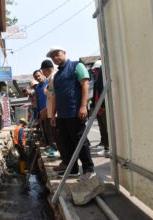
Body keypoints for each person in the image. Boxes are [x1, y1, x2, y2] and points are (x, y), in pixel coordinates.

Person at [47, 46, 95, 180]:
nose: (55, 58)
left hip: (75, 111)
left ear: (64, 53)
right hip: (62, 114)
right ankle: (72, 169)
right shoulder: (56, 76)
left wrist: (83, 106)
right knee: (66, 143)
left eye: (57, 54)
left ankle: (88, 169)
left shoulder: (76, 66)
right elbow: (56, 95)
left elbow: (85, 85)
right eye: (52, 57)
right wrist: (54, 114)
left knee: (80, 140)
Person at [40, 60, 61, 159]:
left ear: (46, 70)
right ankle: (58, 151)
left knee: (57, 135)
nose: (42, 74)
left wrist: (46, 92)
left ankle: (60, 153)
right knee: (54, 134)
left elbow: (53, 95)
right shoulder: (50, 78)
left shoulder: (53, 77)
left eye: (42, 72)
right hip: (51, 111)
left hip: (55, 112)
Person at [91, 60, 109, 157]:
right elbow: (94, 96)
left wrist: (102, 107)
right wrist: (93, 107)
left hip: (104, 108)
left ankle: (109, 148)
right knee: (102, 129)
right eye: (94, 71)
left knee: (107, 129)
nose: (94, 72)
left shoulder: (103, 81)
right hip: (99, 109)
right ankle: (106, 147)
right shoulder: (96, 82)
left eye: (96, 70)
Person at [33, 69, 50, 147]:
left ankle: (54, 147)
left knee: (52, 131)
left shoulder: (49, 83)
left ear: (42, 74)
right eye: (36, 77)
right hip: (41, 113)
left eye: (39, 76)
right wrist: (38, 115)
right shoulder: (37, 88)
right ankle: (48, 145)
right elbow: (37, 101)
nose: (38, 78)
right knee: (45, 131)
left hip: (50, 111)